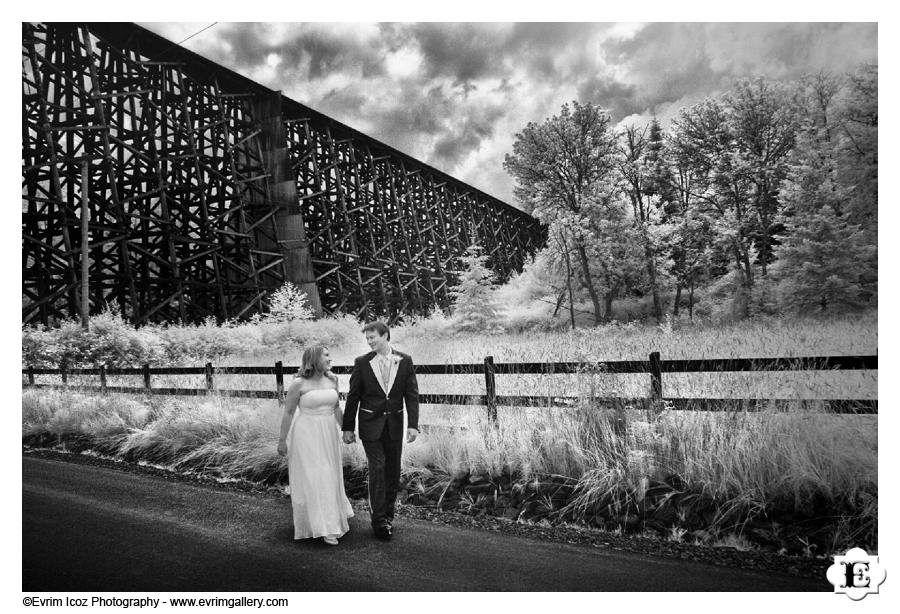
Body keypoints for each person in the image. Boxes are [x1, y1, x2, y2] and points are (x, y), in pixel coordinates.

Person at [342, 320, 419, 540]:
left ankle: (388, 517)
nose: (369, 342)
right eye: (367, 339)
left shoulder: (404, 361)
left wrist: (413, 425)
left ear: (385, 336)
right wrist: (348, 427)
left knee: (393, 472)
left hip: (395, 426)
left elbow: (412, 395)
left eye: (372, 337)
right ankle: (378, 521)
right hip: (370, 427)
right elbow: (353, 397)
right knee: (378, 466)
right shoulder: (362, 362)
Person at [277, 346, 354, 546]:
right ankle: (324, 526)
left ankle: (331, 518)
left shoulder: (332, 380)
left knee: (330, 473)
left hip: (328, 433)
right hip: (307, 435)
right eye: (326, 355)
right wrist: (281, 440)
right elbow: (288, 413)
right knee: (315, 477)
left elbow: (336, 407)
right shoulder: (298, 384)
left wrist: (346, 429)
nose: (330, 358)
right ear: (313, 359)